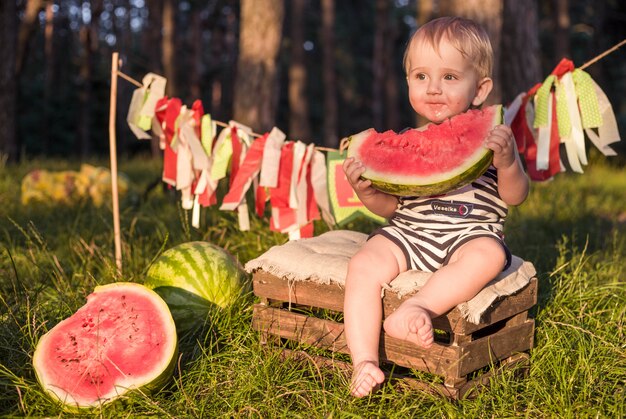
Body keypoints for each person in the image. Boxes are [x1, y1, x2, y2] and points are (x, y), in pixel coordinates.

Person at [342, 16, 530, 398]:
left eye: (449, 77)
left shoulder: (493, 140)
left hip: (469, 236)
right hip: (409, 234)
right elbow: (390, 207)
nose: (433, 88)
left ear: (480, 89)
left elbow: (516, 195)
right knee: (363, 264)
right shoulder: (409, 142)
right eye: (421, 76)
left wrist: (508, 163)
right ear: (408, 82)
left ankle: (419, 307)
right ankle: (363, 361)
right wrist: (365, 191)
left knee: (490, 255)